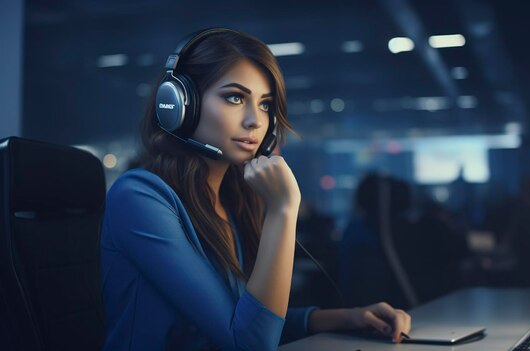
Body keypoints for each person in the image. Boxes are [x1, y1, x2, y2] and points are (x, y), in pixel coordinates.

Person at [100, 28, 411, 351]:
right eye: (234, 97)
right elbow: (250, 342)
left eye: (265, 105)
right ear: (179, 104)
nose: (255, 121)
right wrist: (283, 209)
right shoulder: (138, 198)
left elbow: (246, 319)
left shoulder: (230, 199)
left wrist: (349, 318)